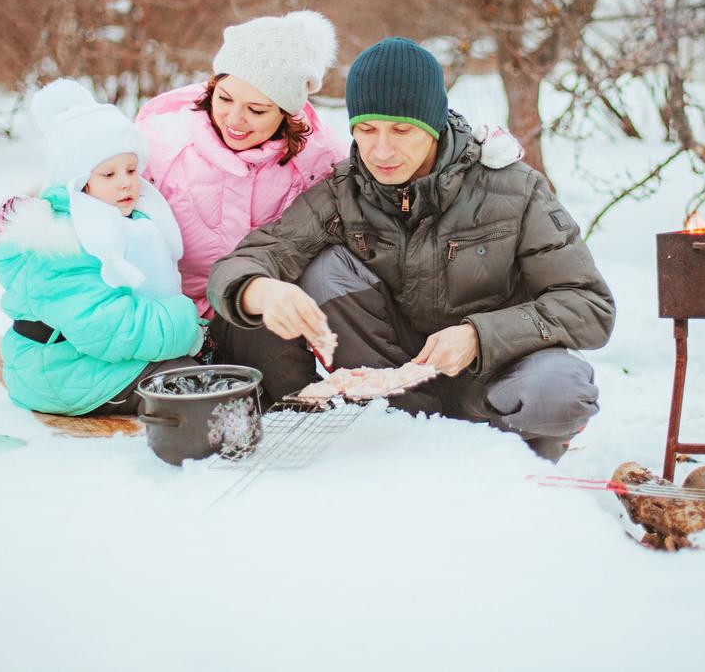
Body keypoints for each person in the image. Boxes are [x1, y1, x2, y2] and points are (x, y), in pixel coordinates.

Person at [207, 37, 616, 459]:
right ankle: (387, 434)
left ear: (433, 124)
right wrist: (259, 289)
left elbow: (589, 305)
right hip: (394, 383)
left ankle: (511, 466)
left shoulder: (515, 188)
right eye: (366, 130)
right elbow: (242, 263)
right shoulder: (342, 193)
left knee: (560, 392)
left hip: (496, 377)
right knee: (322, 270)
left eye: (401, 130)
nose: (381, 150)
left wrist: (480, 336)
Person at [0, 79, 204, 416]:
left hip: (92, 359)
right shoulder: (60, 242)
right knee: (193, 385)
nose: (125, 182)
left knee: (203, 369)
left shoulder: (125, 221)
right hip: (60, 375)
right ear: (78, 181)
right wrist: (185, 322)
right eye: (108, 174)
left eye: (131, 170)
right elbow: (108, 325)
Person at [136, 10, 347, 319]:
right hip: (166, 316)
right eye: (224, 99)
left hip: (258, 318)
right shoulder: (161, 142)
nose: (234, 120)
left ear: (285, 112)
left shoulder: (317, 160)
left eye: (257, 110)